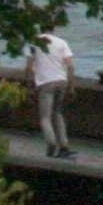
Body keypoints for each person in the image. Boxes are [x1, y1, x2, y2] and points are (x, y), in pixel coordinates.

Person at [26, 30, 79, 159]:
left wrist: (29, 87)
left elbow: (29, 67)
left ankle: (51, 143)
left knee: (45, 117)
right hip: (62, 81)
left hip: (45, 82)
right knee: (57, 113)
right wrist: (71, 87)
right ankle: (64, 146)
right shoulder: (61, 42)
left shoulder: (33, 43)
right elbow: (71, 66)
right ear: (53, 29)